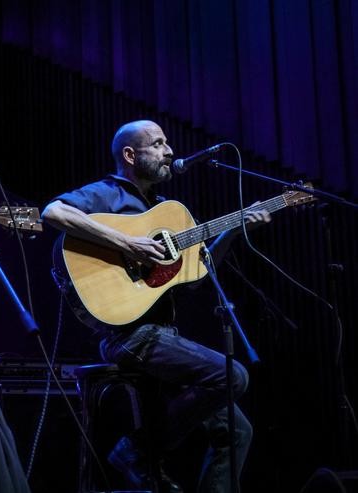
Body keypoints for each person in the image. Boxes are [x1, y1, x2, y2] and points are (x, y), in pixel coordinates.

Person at [42, 120, 271, 493]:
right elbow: (53, 213)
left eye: (168, 143)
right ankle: (136, 449)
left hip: (164, 336)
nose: (169, 152)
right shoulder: (107, 194)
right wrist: (127, 244)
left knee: (238, 431)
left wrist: (234, 228)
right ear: (130, 155)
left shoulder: (167, 212)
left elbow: (197, 277)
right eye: (158, 144)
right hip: (129, 335)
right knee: (233, 376)